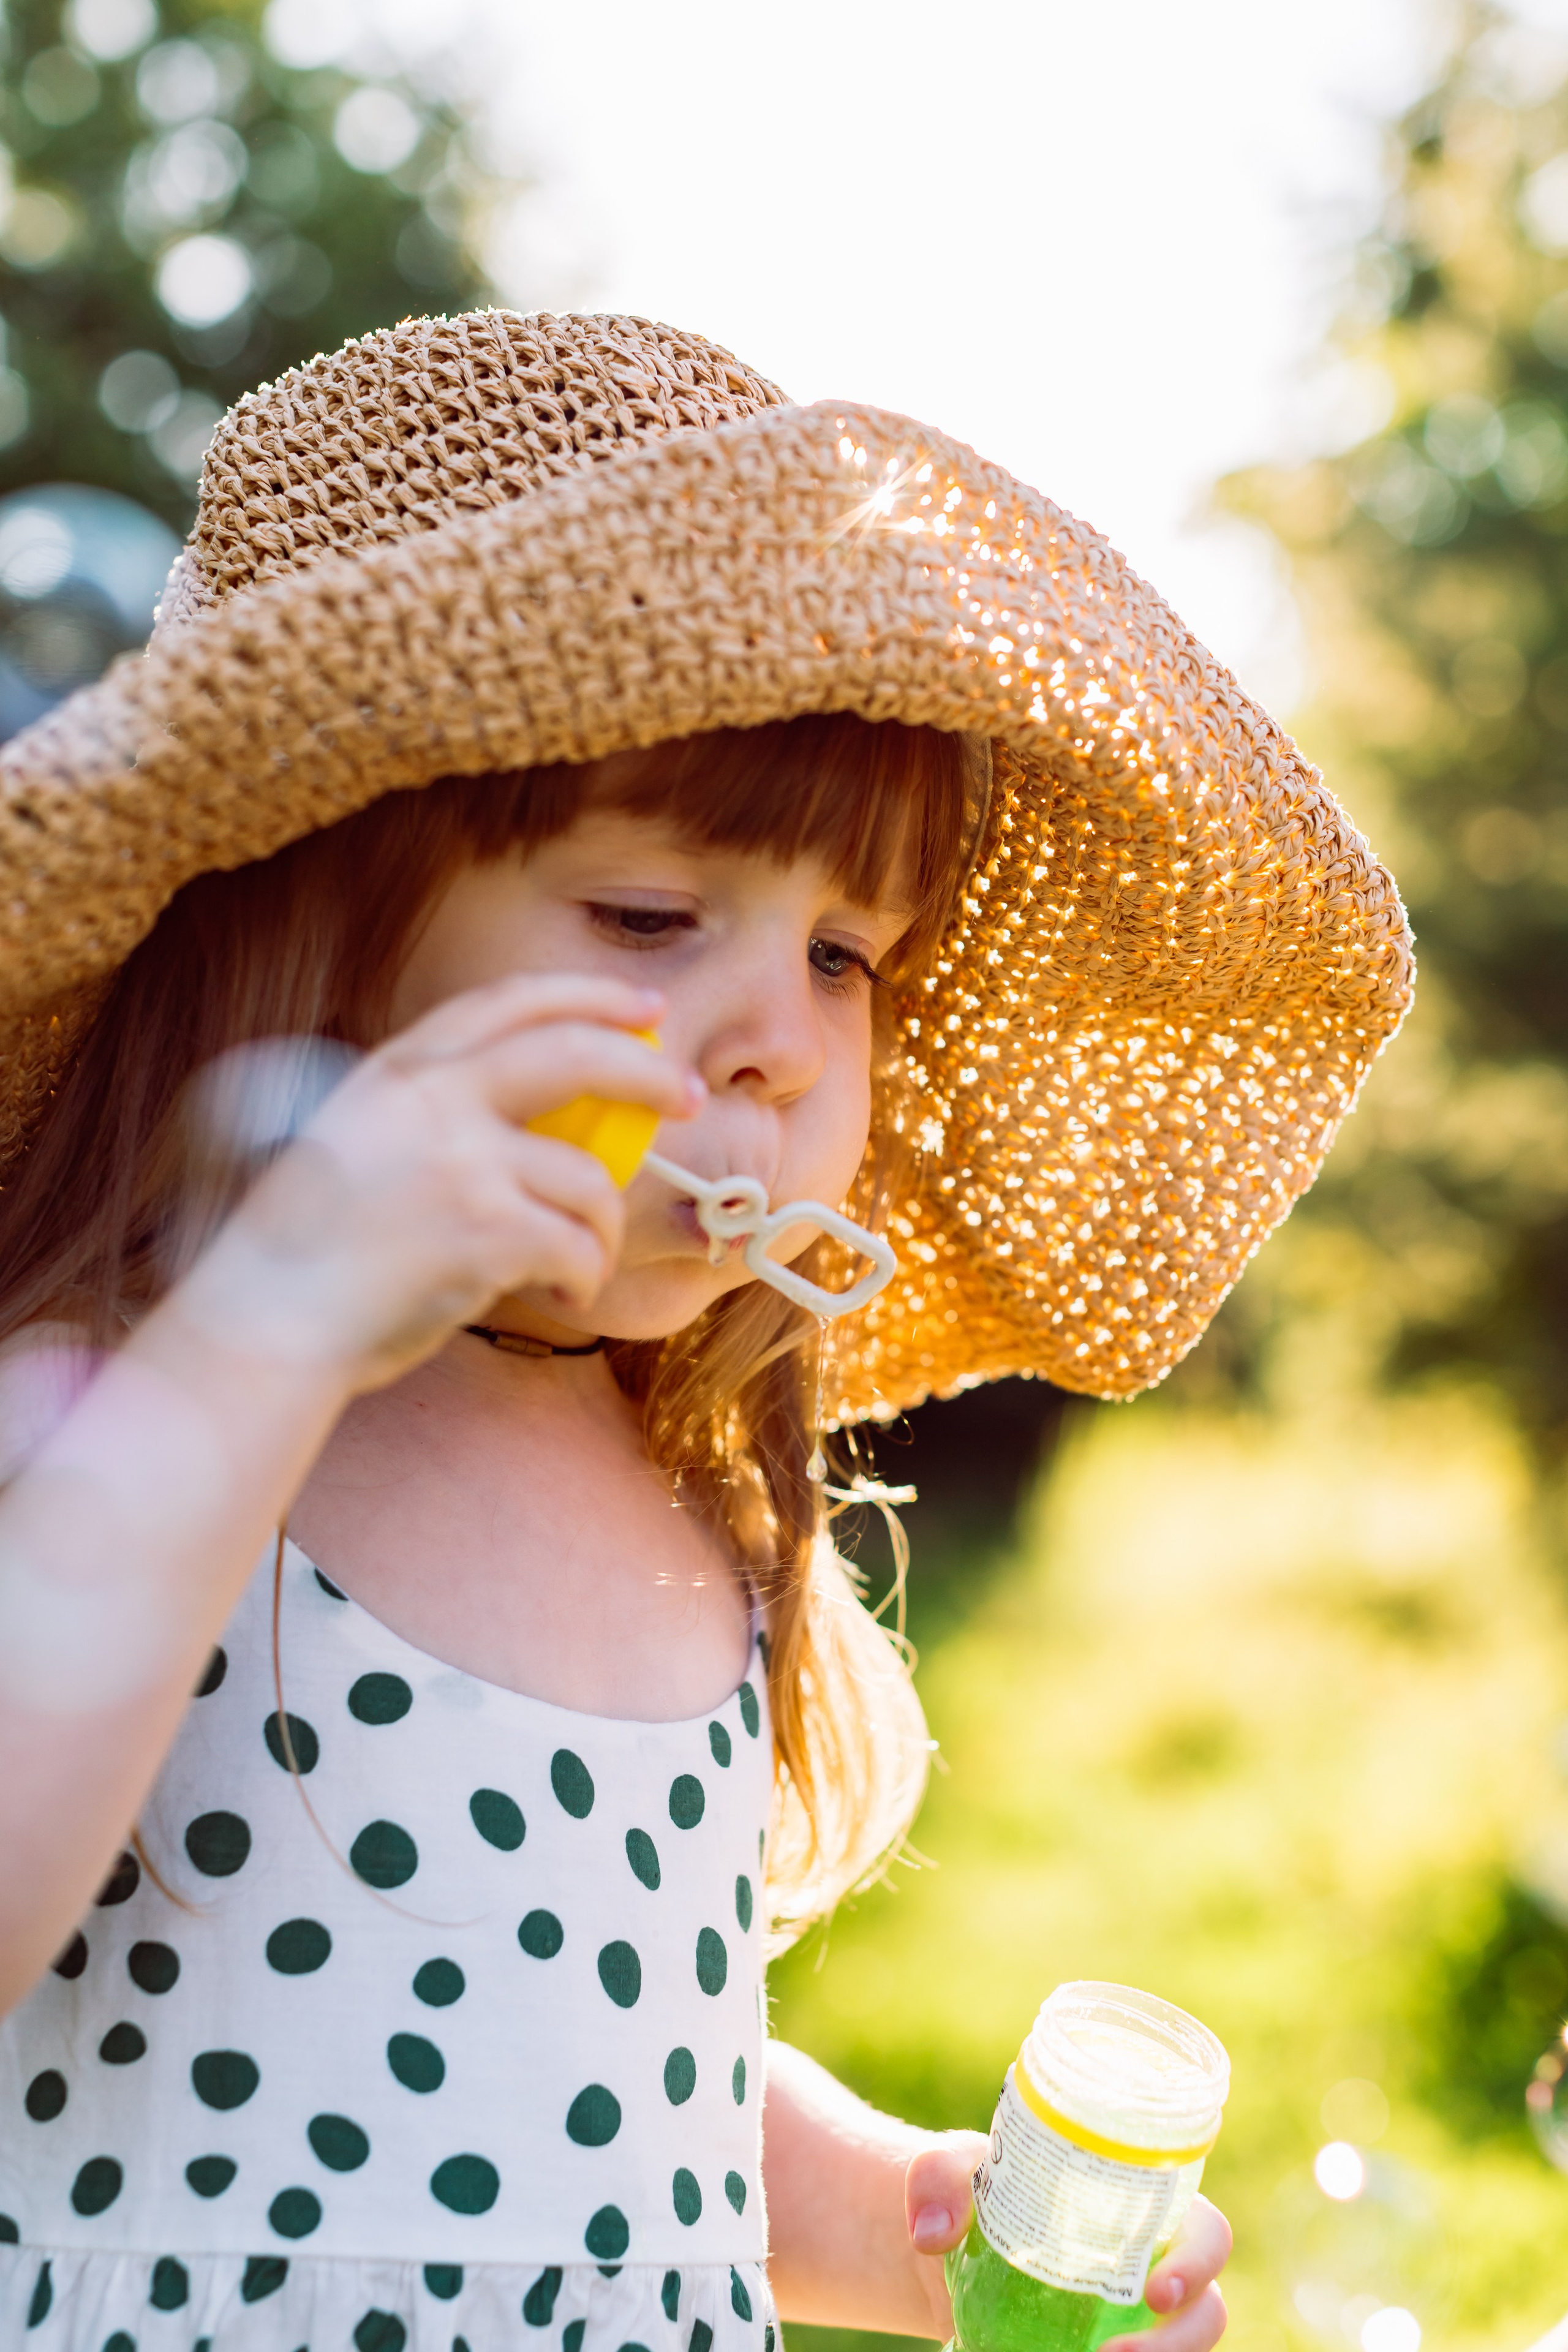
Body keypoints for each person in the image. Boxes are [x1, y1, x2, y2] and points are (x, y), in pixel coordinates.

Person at [0, 311, 1412, 2351]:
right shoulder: (123, 1407)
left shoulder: (669, 1491)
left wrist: (875, 2214)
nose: (775, 1044)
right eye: (653, 920)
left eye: (846, 952)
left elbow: (587, 2060)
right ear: (301, 922)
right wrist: (269, 1329)